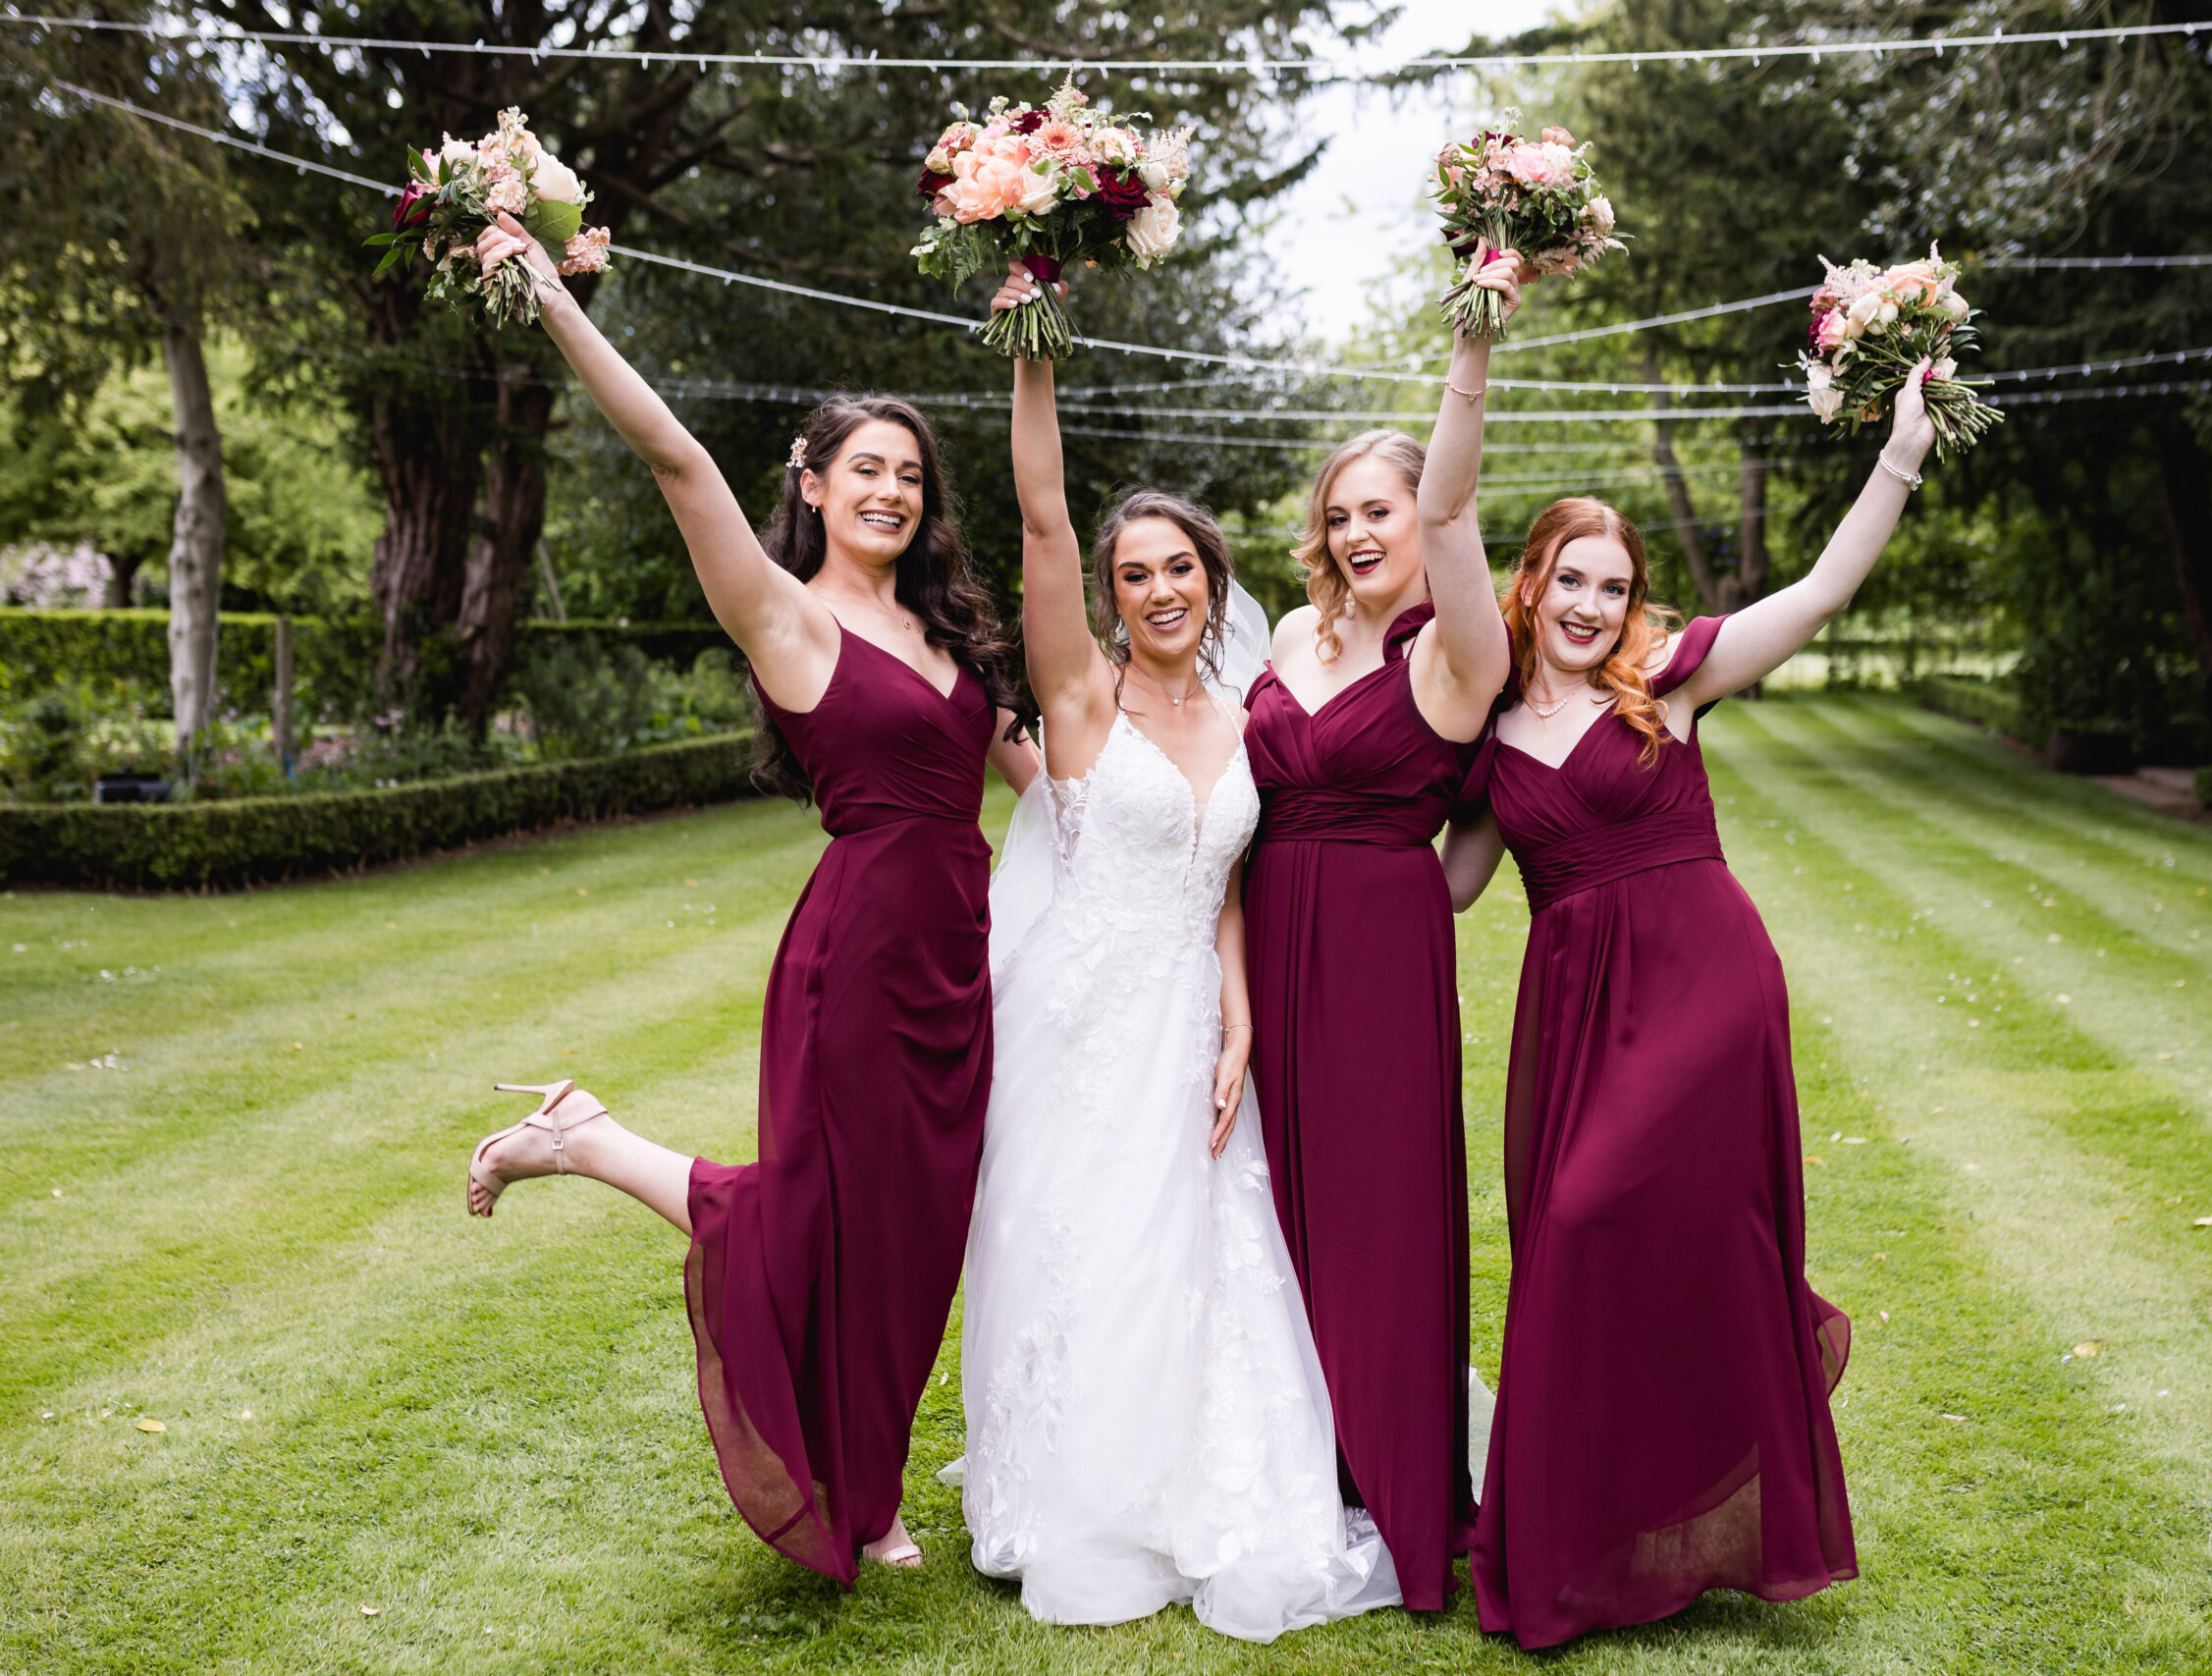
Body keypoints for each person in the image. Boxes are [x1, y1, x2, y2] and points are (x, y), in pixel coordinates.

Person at [458, 211, 1034, 1581]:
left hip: (961, 961)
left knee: (918, 1236)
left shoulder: (954, 635)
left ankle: (868, 1473)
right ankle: (592, 1146)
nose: (891, 490)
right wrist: (550, 297)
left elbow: (1058, 774)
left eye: (909, 473)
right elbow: (672, 454)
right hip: (857, 960)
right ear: (815, 485)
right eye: (865, 470)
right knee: (831, 1222)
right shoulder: (787, 614)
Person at [1438, 362, 1938, 1648]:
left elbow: (1823, 591)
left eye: (1616, 586)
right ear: (1532, 583)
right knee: (1571, 1252)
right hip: (1577, 1006)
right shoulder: (1489, 734)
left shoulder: (1671, 684)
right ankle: (1577, 1541)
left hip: (1706, 981)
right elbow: (1445, 887)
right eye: (1574, 581)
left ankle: (1645, 1511)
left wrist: (1897, 453)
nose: (1594, 607)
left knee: (1602, 1215)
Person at [951, 268, 1403, 1640]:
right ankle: (1082, 1483)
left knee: (1216, 1248)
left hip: (1201, 1025)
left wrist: (1247, 1014)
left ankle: (1225, 1479)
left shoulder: (1246, 708)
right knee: (1093, 1246)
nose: (1159, 590)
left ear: (1215, 580)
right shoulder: (1083, 701)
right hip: (1089, 1022)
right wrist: (1033, 342)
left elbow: (1223, 879)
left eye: (1179, 569)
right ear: (1110, 593)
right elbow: (1039, 514)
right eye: (1133, 574)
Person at [1238, 248, 1528, 1610]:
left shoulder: (1456, 654)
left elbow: (1469, 857)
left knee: (1382, 1216)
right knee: (1268, 1205)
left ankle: (1400, 1491)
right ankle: (1291, 1461)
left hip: (1373, 958)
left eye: (1388, 507)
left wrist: (1470, 345)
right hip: (1256, 940)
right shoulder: (1290, 629)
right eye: (1343, 510)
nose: (1362, 531)